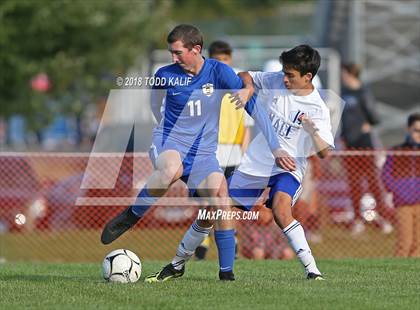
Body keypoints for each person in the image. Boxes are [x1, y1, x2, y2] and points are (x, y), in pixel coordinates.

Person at [100, 24, 284, 281]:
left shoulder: (218, 72)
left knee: (220, 199)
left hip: (203, 154)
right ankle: (131, 215)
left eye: (177, 53)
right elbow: (156, 105)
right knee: (171, 169)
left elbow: (252, 104)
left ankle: (226, 274)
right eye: (171, 53)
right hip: (169, 143)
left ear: (196, 49)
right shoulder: (165, 75)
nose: (173, 58)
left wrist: (275, 145)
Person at [149, 44, 335, 281]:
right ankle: (177, 264)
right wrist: (247, 89)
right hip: (255, 164)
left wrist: (312, 132)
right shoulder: (276, 80)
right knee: (212, 209)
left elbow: (325, 152)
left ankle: (313, 271)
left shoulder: (317, 108)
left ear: (308, 77)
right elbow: (245, 75)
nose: (285, 79)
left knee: (281, 208)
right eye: (284, 73)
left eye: (291, 75)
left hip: (288, 168)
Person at [194, 40, 254, 260]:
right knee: (207, 200)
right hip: (209, 152)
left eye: (226, 59)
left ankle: (231, 240)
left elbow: (246, 123)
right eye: (218, 60)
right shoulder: (204, 86)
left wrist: (245, 152)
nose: (222, 63)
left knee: (227, 200)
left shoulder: (236, 85)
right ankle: (203, 241)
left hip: (233, 153)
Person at [340, 63, 392, 235]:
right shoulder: (344, 93)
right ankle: (357, 220)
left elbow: (375, 117)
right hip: (349, 146)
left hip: (365, 144)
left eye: (343, 73)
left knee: (372, 182)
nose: (342, 76)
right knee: (354, 184)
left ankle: (384, 219)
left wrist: (366, 125)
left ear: (349, 74)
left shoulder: (363, 92)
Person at [382, 113, 420, 257]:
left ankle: (412, 275)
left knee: (418, 244)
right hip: (403, 203)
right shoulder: (397, 151)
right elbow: (386, 176)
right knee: (405, 241)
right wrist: (400, 192)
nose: (419, 134)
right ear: (408, 129)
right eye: (416, 130)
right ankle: (397, 271)